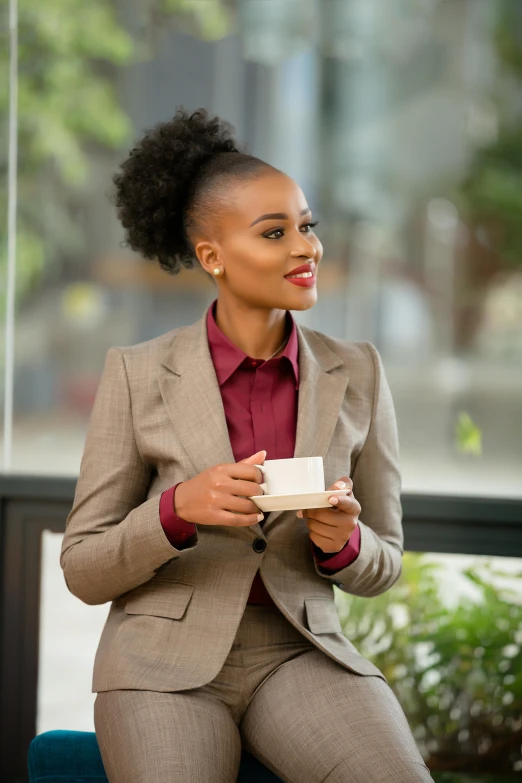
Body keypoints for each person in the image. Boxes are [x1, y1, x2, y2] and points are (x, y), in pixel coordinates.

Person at [60, 108, 433, 782]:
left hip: (300, 655)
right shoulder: (136, 373)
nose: (306, 248)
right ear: (212, 256)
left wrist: (342, 542)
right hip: (161, 666)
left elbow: (385, 562)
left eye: (307, 226)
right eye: (275, 232)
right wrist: (176, 509)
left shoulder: (362, 373)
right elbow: (84, 567)